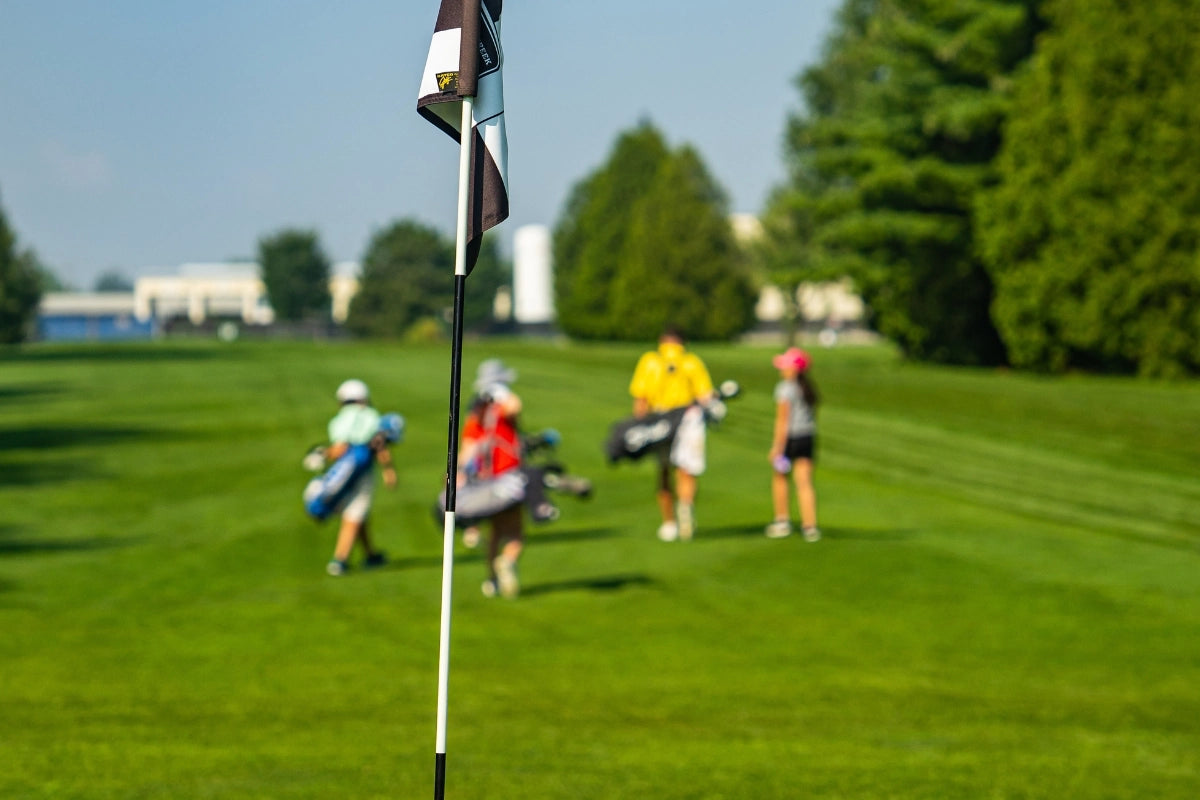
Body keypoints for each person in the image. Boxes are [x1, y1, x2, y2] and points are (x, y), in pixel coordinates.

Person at [628, 327, 715, 541]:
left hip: (660, 421)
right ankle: (685, 506)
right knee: (686, 470)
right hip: (688, 420)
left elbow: (641, 399)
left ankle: (669, 523)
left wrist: (639, 425)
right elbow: (705, 396)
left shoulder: (650, 360)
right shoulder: (691, 361)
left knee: (664, 470)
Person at [459, 359, 525, 598]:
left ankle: (491, 580)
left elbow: (466, 449)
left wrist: (461, 477)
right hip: (509, 475)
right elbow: (515, 407)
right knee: (516, 532)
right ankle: (507, 560)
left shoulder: (476, 410)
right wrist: (501, 395)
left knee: (495, 531)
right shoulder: (501, 404)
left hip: (485, 481)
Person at [324, 379, 397, 575]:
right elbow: (380, 444)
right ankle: (340, 559)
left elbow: (338, 449)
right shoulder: (371, 416)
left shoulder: (338, 420)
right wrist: (389, 470)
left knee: (357, 513)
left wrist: (324, 454)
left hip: (344, 471)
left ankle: (370, 554)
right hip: (364, 472)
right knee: (354, 514)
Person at [765, 348, 820, 541]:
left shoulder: (785, 388)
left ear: (794, 369)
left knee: (780, 478)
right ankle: (810, 526)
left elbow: (782, 420)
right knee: (804, 483)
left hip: (790, 439)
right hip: (807, 438)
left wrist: (777, 448)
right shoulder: (807, 388)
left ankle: (782, 521)